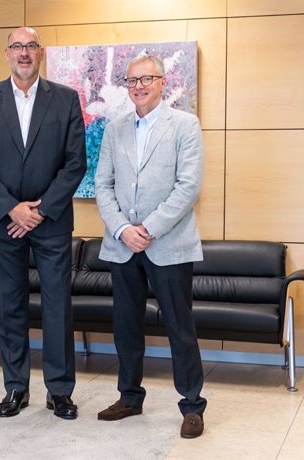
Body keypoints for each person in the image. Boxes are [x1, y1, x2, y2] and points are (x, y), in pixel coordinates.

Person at [0, 27, 87, 420]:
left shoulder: (66, 99)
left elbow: (75, 163)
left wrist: (39, 210)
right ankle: (15, 387)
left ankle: (60, 391)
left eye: (30, 46)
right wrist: (11, 209)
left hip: (50, 222)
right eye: (17, 47)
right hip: (0, 223)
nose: (24, 53)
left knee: (57, 307)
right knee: (9, 306)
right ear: (6, 54)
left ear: (41, 53)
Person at [94, 54, 207, 438]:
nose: (139, 86)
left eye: (147, 79)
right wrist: (125, 228)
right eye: (132, 81)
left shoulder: (185, 125)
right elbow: (103, 185)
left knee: (180, 327)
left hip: (169, 243)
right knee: (126, 326)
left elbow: (188, 187)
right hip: (122, 244)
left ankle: (192, 405)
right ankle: (130, 397)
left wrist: (149, 228)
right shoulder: (115, 128)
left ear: (162, 82)